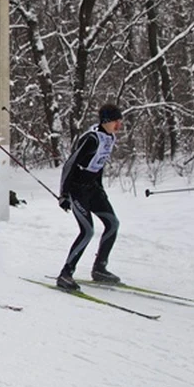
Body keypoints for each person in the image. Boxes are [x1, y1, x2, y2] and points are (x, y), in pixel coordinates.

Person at [56, 103, 124, 291]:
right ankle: (65, 274)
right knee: (87, 231)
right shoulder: (91, 139)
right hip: (77, 190)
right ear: (107, 121)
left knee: (113, 223)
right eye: (117, 121)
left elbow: (98, 165)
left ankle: (100, 268)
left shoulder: (109, 138)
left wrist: (99, 188)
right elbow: (69, 164)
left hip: (93, 189)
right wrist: (64, 195)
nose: (120, 125)